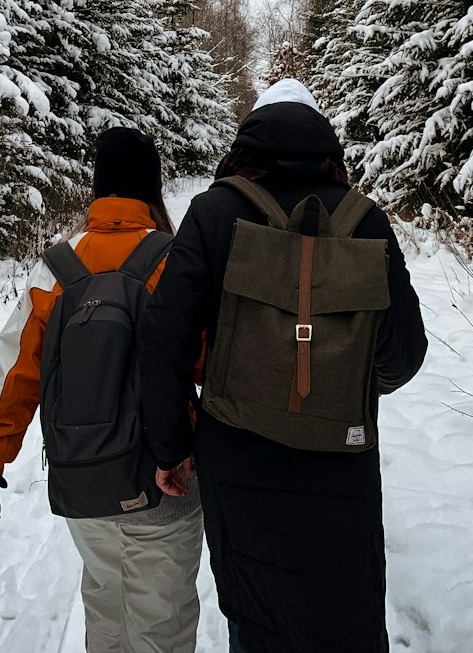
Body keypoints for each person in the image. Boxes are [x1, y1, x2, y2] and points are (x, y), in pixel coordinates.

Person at [140, 79, 427, 653]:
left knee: (257, 611)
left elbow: (163, 340)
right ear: (326, 145)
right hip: (340, 460)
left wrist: (171, 448)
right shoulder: (365, 219)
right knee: (344, 609)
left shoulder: (213, 211)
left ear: (249, 140)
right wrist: (347, 385)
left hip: (238, 456)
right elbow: (404, 351)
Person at [0, 126, 203, 653]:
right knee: (162, 624)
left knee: (105, 605)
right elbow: (206, 360)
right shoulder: (174, 258)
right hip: (165, 480)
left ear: (97, 189)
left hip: (83, 481)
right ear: (151, 189)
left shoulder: (57, 268)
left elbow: (14, 375)